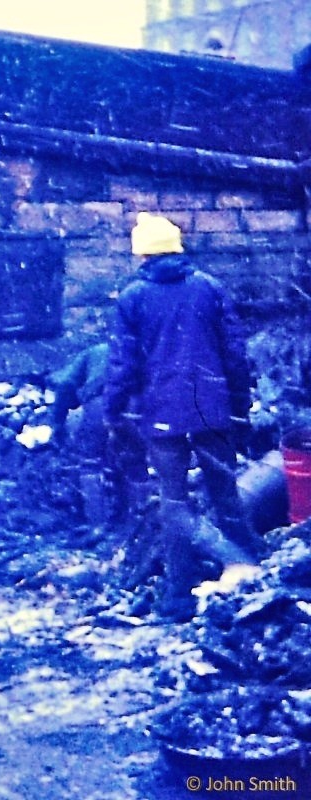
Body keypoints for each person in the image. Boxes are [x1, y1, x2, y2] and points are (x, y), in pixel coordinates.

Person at [105, 211, 263, 620]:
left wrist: (114, 409)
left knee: (173, 502)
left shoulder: (133, 298)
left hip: (161, 414)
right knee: (225, 492)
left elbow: (123, 364)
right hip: (211, 408)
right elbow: (235, 354)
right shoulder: (209, 288)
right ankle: (250, 572)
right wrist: (240, 406)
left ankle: (180, 594)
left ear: (142, 255)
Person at [49, 341, 151, 530]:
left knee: (90, 463)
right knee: (135, 464)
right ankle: (137, 522)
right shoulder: (141, 348)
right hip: (134, 405)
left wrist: (58, 421)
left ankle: (97, 524)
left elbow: (66, 384)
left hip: (99, 402)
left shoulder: (92, 352)